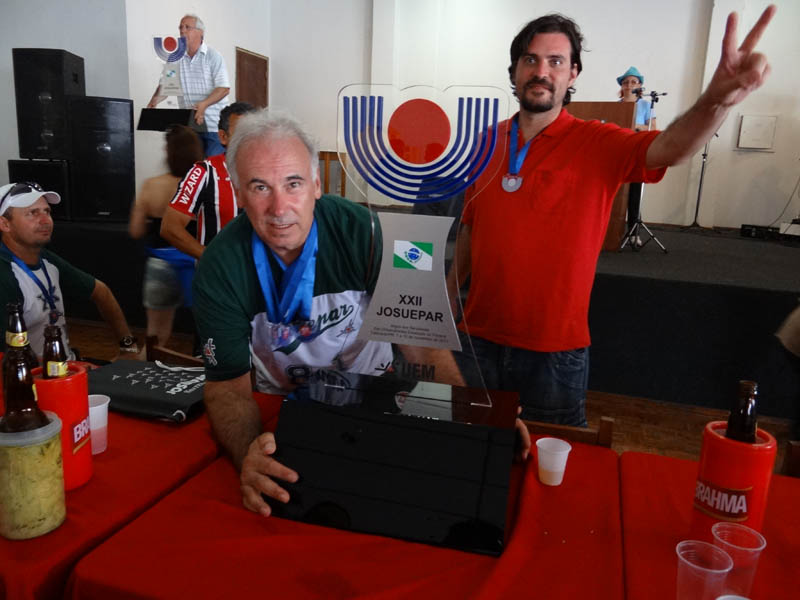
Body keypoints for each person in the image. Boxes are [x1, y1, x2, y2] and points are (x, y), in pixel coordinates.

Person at [447, 7, 776, 426]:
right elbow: (473, 227)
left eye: (555, 61)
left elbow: (671, 148)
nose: (541, 71)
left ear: (573, 74)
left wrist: (716, 99)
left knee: (550, 462)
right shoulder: (485, 141)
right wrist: (445, 299)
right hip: (475, 340)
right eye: (530, 59)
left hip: (552, 352)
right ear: (514, 70)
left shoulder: (597, 142)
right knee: (468, 453)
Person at [191, 109, 526, 516]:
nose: (279, 208)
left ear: (317, 184)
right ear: (239, 193)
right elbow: (227, 389)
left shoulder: (369, 232)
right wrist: (249, 455)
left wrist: (474, 416)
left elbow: (422, 346)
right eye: (260, 187)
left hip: (374, 395)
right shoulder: (218, 266)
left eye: (293, 183)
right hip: (283, 408)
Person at [0, 182, 140, 359]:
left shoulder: (45, 259)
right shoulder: (5, 275)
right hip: (36, 374)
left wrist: (128, 346)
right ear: (5, 224)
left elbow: (101, 292)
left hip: (65, 366)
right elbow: (8, 356)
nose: (45, 220)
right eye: (32, 213)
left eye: (47, 211)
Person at [128, 125, 204, 346]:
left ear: (168, 152)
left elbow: (135, 230)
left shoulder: (151, 185)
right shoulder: (202, 185)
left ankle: (147, 366)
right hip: (196, 262)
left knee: (156, 336)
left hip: (160, 263)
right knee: (208, 331)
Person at [160, 102, 256, 259]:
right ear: (223, 137)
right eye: (241, 133)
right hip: (219, 272)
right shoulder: (204, 172)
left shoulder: (270, 173)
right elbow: (170, 227)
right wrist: (210, 259)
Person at [147, 14, 230, 157]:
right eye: (180, 27)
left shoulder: (213, 56)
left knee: (211, 166)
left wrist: (204, 104)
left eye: (187, 27)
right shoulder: (175, 58)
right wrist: (155, 100)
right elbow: (167, 86)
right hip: (190, 127)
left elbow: (223, 89)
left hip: (214, 127)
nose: (182, 31)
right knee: (192, 166)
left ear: (200, 32)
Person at [618, 66, 658, 246]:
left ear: (640, 86)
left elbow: (652, 129)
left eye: (633, 82)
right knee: (616, 193)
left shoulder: (645, 105)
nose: (629, 85)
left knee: (634, 193)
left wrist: (633, 126)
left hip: (636, 153)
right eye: (626, 82)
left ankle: (634, 233)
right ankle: (611, 231)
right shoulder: (616, 106)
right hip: (618, 152)